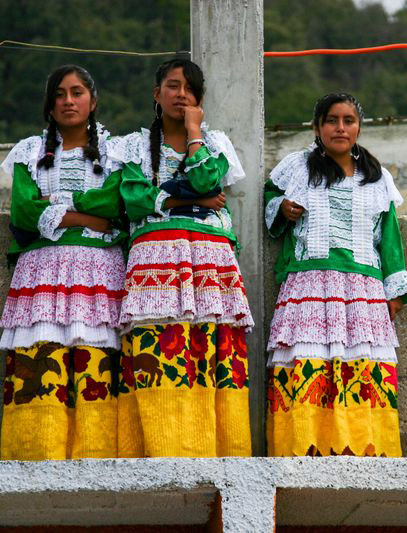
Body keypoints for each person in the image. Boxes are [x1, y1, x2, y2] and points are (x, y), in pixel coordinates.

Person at [264, 92, 407, 457]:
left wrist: (393, 292)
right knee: (309, 361)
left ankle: (364, 454)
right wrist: (281, 208)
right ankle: (302, 449)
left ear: (359, 127)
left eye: (348, 120)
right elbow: (269, 197)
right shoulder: (297, 168)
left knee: (360, 366)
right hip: (309, 286)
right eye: (331, 120)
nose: (340, 127)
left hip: (362, 293)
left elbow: (390, 238)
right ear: (317, 127)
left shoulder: (377, 178)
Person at [111, 58, 252, 458]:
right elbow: (133, 199)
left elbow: (210, 179)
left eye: (190, 89)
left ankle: (219, 453)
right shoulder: (135, 145)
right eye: (173, 86)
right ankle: (158, 450)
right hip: (154, 259)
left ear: (200, 100)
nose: (181, 95)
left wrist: (193, 134)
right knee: (158, 350)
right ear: (156, 94)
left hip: (210, 260)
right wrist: (188, 197)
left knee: (210, 348)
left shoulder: (215, 142)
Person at [0, 65, 126, 460]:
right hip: (42, 272)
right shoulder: (29, 151)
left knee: (95, 358)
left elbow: (116, 201)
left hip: (99, 270)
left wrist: (54, 207)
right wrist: (82, 218)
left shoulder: (117, 151)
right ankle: (36, 456)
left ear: (93, 100)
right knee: (43, 357)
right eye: (59, 94)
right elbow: (22, 209)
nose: (68, 101)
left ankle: (98, 456)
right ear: (50, 104)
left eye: (76, 92)